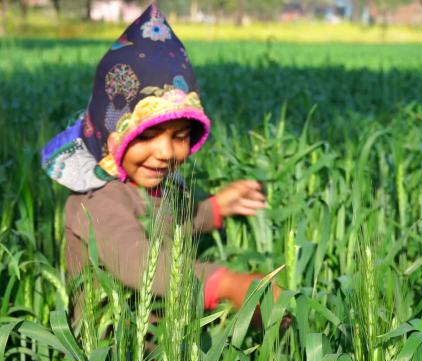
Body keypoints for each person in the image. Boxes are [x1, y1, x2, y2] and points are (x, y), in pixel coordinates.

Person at [41, 4, 272, 315]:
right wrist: (226, 284)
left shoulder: (153, 184)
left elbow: (172, 221)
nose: (165, 152)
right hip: (109, 356)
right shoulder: (96, 200)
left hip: (161, 344)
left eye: (179, 137)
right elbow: (139, 263)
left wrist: (216, 208)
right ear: (112, 136)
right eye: (146, 136)